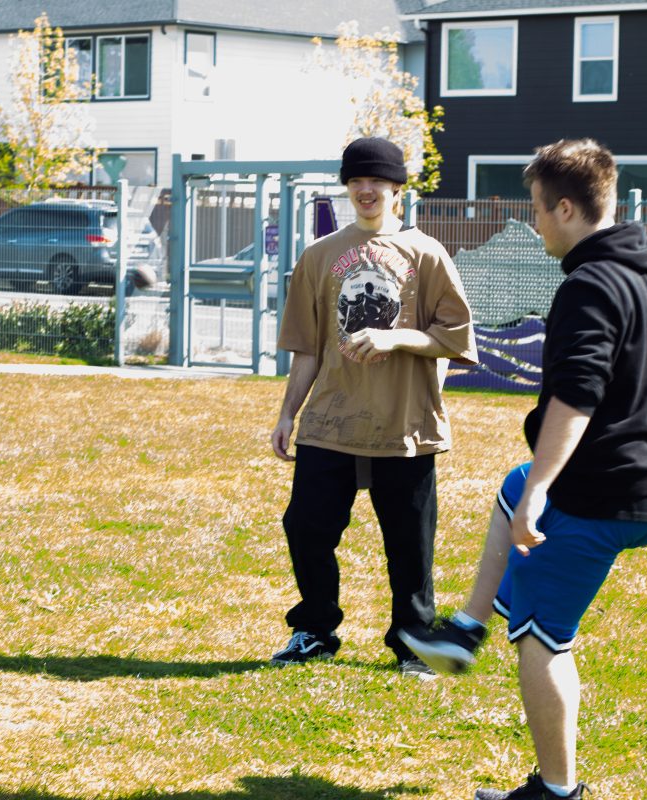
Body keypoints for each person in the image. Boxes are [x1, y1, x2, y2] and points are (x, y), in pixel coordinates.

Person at [401, 139, 647, 799]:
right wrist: (529, 485)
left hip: (606, 493)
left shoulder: (590, 285)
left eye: (536, 210)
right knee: (511, 486)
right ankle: (467, 629)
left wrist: (542, 489)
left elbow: (578, 394)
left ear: (566, 208)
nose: (534, 224)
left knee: (541, 635)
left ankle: (557, 791)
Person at [270, 137, 478, 673]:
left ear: (396, 189)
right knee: (306, 527)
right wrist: (288, 413)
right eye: (357, 180)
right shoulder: (318, 257)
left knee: (409, 541)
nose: (366, 190)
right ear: (346, 186)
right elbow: (307, 350)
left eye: (377, 182)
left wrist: (396, 338)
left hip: (403, 422)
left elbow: (455, 338)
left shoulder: (427, 254)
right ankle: (315, 628)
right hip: (331, 420)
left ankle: (412, 644)